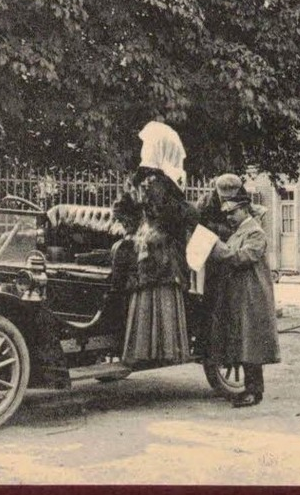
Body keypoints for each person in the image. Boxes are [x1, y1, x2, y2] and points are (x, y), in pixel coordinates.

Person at [117, 121, 195, 366]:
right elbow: (172, 214)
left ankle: (142, 348)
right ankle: (162, 350)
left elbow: (121, 208)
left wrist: (137, 230)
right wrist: (190, 212)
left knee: (144, 291)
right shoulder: (160, 182)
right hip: (163, 251)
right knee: (162, 291)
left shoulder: (138, 180)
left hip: (142, 247)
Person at [205, 187, 281, 407]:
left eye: (232, 213)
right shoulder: (238, 232)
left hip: (253, 297)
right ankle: (249, 389)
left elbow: (242, 257)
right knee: (243, 342)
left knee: (251, 344)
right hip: (241, 296)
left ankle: (254, 392)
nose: (228, 217)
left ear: (244, 210)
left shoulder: (256, 233)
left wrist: (217, 248)